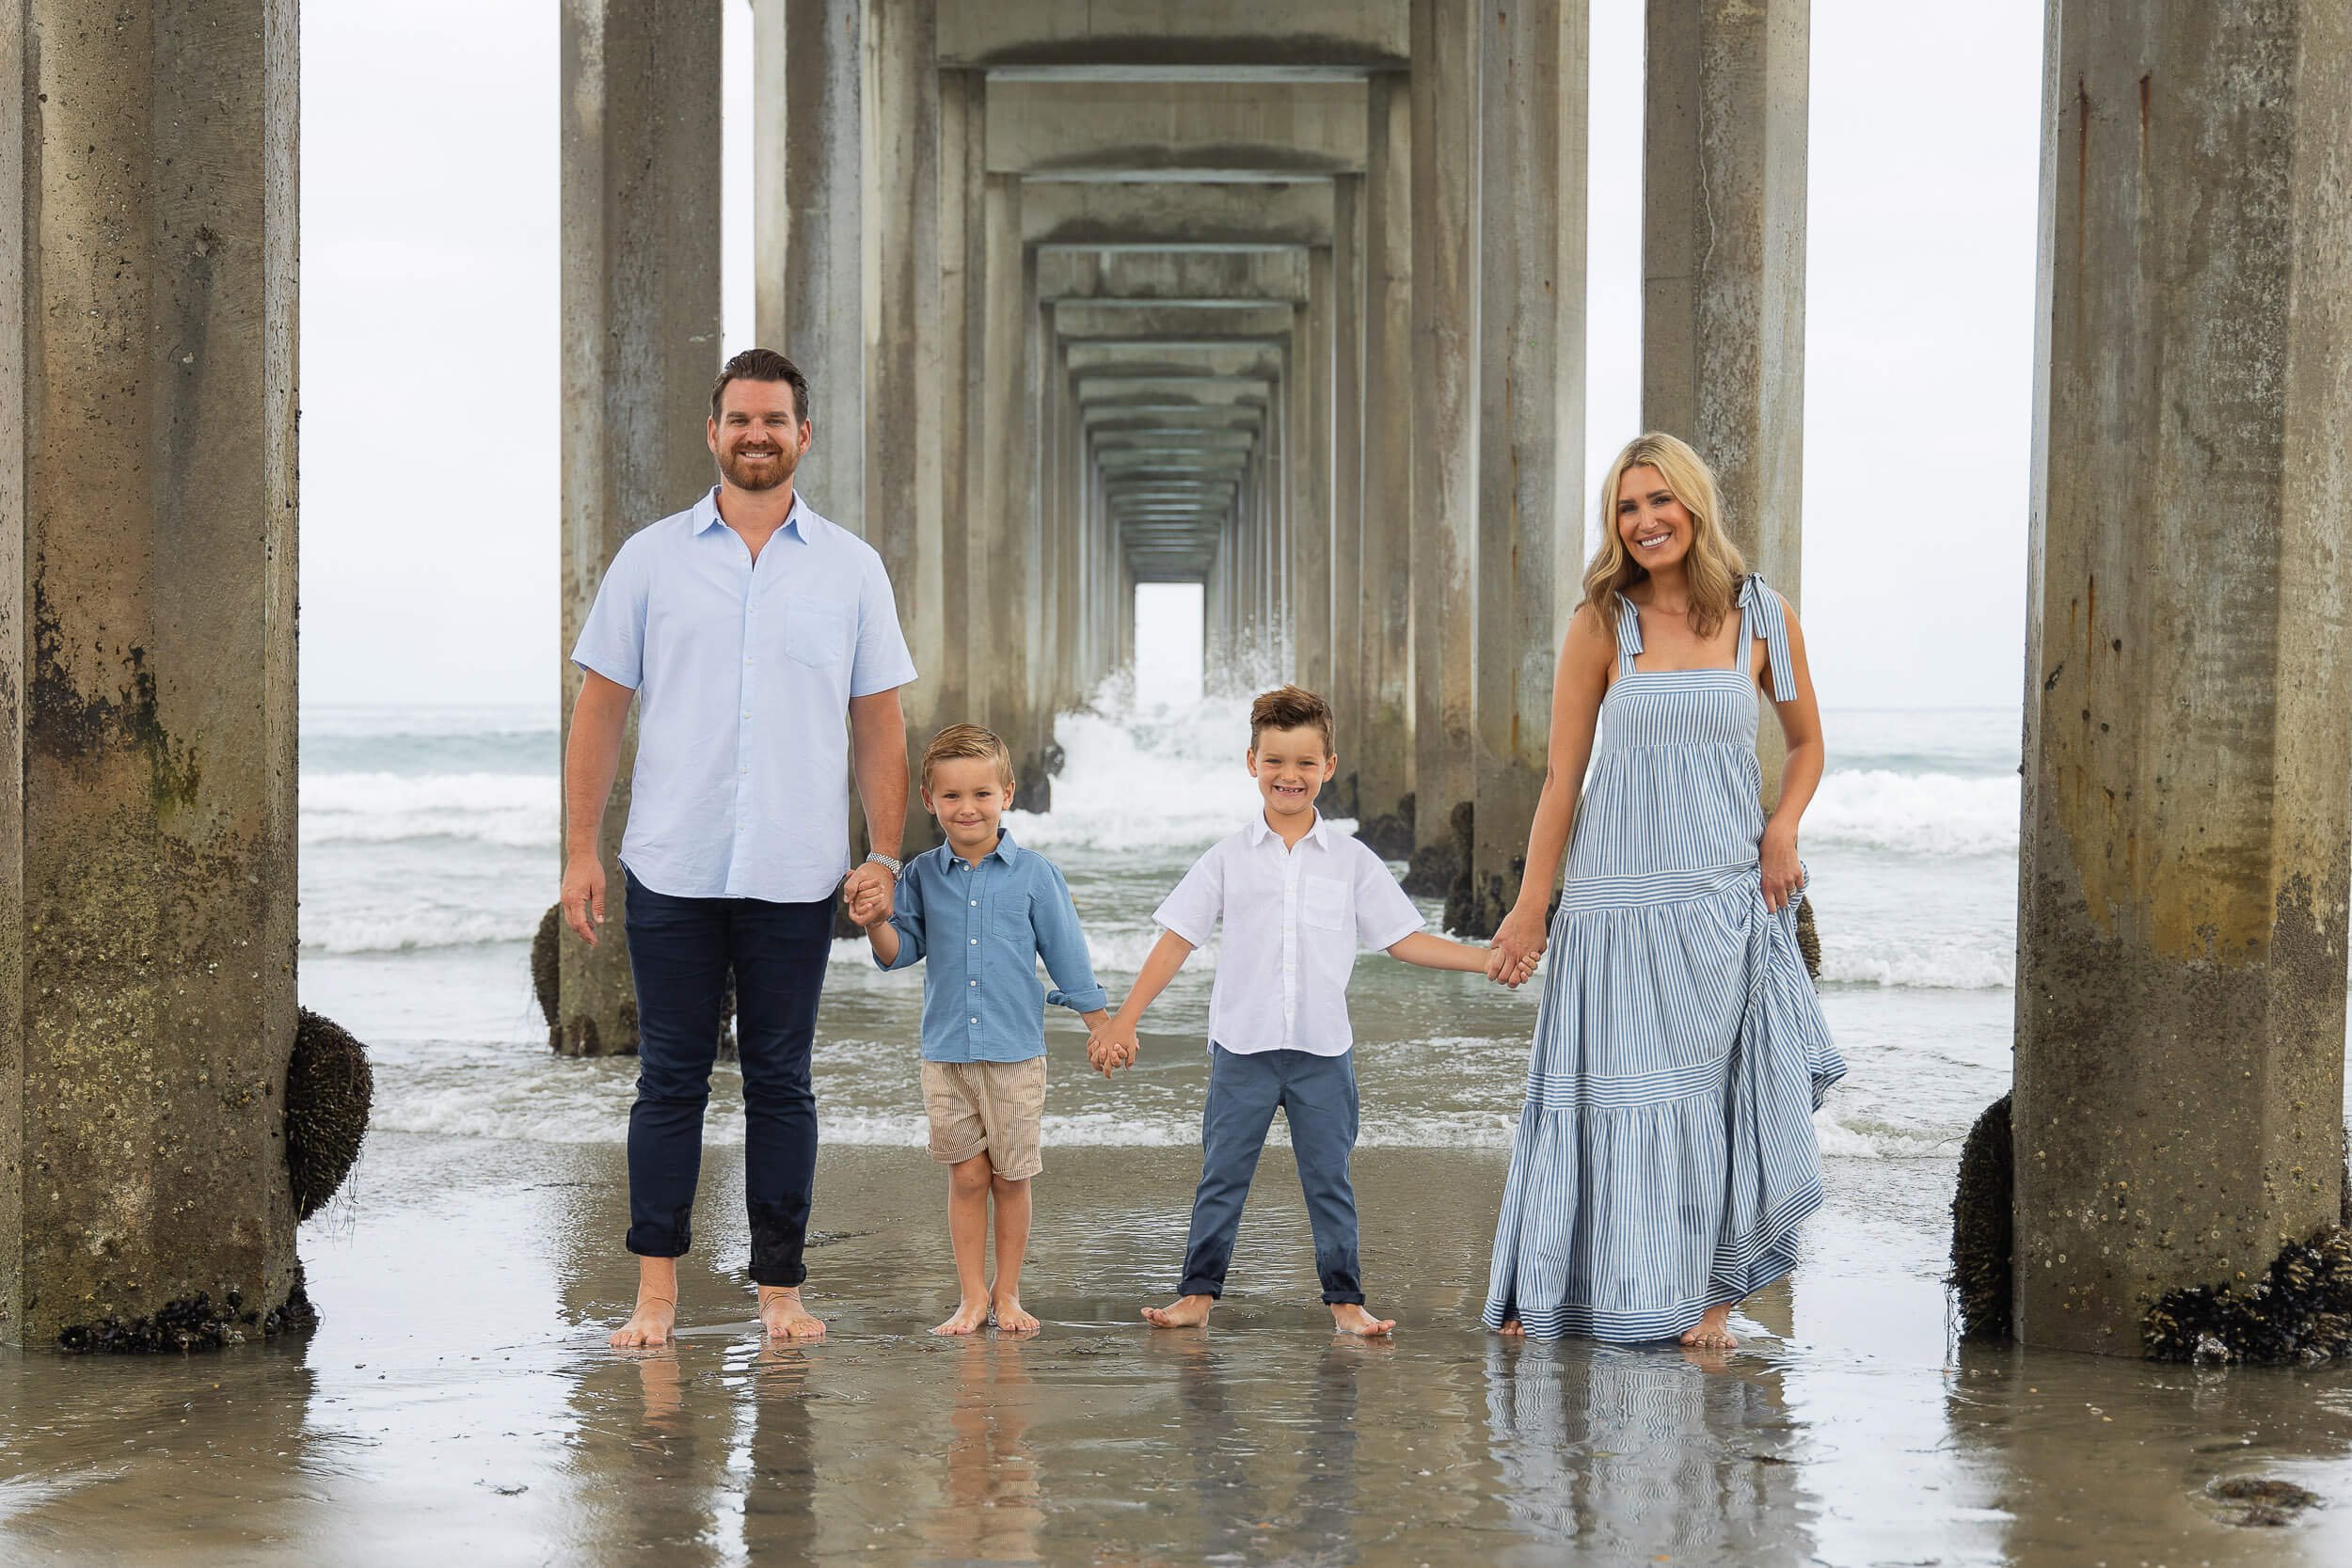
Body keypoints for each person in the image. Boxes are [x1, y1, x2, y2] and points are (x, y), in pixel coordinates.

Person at [563, 348, 916, 1349]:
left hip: (796, 867)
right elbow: (600, 709)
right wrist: (581, 851)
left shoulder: (851, 567)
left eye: (775, 420)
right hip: (670, 860)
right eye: (739, 419)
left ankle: (779, 1289)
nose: (756, 434)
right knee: (670, 1077)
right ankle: (655, 1298)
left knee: (781, 1079)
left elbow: (878, 720)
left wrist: (884, 852)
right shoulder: (650, 558)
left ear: (803, 436)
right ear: (712, 431)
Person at [1480, 431, 1845, 1349]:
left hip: (1721, 898)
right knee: (1605, 1093)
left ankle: (1710, 1296)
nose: (1644, 521)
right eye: (1626, 507)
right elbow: (1562, 779)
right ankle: (1559, 1284)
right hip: (1611, 902)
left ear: (1693, 504)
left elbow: (1805, 743)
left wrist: (1782, 826)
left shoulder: (1765, 616)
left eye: (1658, 501)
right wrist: (1533, 906)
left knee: (1707, 1094)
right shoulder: (1602, 622)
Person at [1089, 686, 1506, 1337]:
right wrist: (1125, 1017)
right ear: (1251, 761)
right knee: (1222, 1176)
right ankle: (1196, 1297)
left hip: (1322, 1053)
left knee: (1329, 1180)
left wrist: (1485, 959)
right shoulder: (1226, 857)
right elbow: (1178, 939)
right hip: (1242, 1049)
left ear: (1329, 767)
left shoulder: (1352, 862)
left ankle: (1346, 1304)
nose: (1290, 775)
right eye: (1276, 761)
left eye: (1305, 763)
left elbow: (1401, 939)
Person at [849, 724, 1111, 1337]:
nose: (968, 808)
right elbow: (898, 952)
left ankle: (1009, 1293)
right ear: (928, 800)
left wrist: (1102, 1025)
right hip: (945, 1054)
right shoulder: (918, 875)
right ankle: (971, 1296)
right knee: (967, 1174)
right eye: (952, 796)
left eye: (982, 794)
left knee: (1009, 1176)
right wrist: (874, 920)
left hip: (1017, 1053)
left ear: (1008, 794)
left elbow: (1068, 957)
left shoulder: (1035, 875)